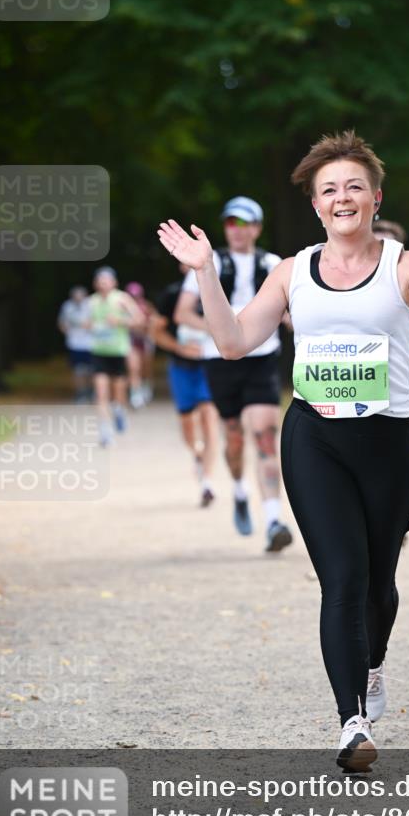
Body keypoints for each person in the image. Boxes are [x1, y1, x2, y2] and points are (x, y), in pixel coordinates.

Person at [157, 131, 409, 772]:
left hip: (387, 441)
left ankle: (373, 665)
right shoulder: (292, 271)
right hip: (314, 437)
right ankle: (351, 723)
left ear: (376, 198)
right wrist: (206, 275)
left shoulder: (404, 262)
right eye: (330, 189)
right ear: (316, 206)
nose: (342, 197)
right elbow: (235, 342)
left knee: (379, 585)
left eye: (355, 186)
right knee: (343, 579)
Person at [175, 196, 293, 553]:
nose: (236, 231)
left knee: (265, 437)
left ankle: (273, 519)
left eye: (243, 224)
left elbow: (289, 309)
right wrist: (220, 329)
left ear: (256, 228)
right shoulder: (208, 263)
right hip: (220, 360)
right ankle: (240, 490)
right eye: (230, 223)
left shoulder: (272, 264)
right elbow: (182, 313)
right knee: (234, 437)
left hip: (261, 358)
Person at [154, 262, 220, 506]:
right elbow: (156, 331)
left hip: (210, 366)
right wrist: (178, 347)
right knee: (187, 422)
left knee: (209, 415)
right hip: (181, 367)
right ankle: (197, 454)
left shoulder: (218, 292)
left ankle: (208, 482)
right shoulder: (172, 295)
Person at [86, 267, 145, 447]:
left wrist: (120, 321)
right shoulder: (91, 302)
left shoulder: (122, 299)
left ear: (114, 282)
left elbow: (140, 320)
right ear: (96, 283)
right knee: (101, 393)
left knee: (118, 394)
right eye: (100, 280)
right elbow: (86, 323)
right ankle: (105, 432)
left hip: (118, 352)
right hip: (98, 352)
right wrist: (89, 325)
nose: (103, 283)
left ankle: (119, 410)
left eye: (107, 280)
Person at [57, 286, 93, 402]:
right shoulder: (67, 306)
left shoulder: (91, 305)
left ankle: (91, 390)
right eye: (76, 295)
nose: (78, 298)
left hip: (90, 343)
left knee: (90, 370)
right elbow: (62, 322)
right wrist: (66, 330)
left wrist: (90, 326)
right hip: (74, 343)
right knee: (78, 370)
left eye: (80, 295)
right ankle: (80, 392)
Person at [124, 282, 157, 408]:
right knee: (134, 368)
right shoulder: (123, 306)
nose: (134, 298)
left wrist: (148, 328)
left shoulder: (146, 306)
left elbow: (154, 320)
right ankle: (135, 395)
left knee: (146, 368)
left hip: (145, 340)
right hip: (131, 340)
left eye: (136, 295)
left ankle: (146, 386)